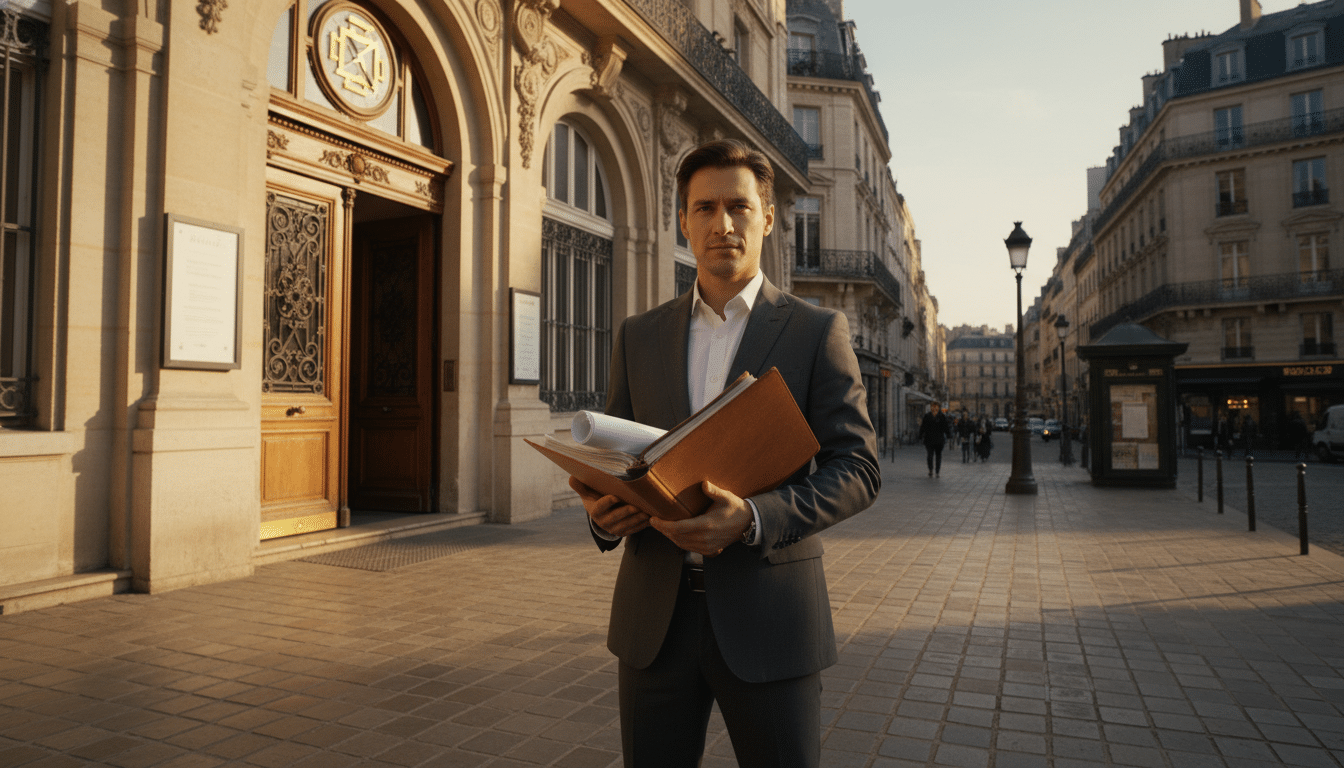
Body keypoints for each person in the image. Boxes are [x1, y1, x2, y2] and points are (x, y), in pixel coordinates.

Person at [569, 139, 881, 768]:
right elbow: (618, 460)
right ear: (682, 220)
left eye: (739, 207)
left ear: (768, 218)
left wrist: (754, 517)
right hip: (654, 622)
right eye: (704, 208)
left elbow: (859, 469)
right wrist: (602, 518)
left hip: (771, 621)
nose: (722, 225)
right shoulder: (638, 335)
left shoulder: (817, 332)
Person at [917, 402, 952, 477]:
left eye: (936, 407)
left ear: (938, 408)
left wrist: (949, 435)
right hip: (929, 439)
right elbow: (923, 427)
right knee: (930, 456)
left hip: (939, 440)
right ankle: (930, 469)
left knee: (938, 456)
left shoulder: (942, 416)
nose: (934, 408)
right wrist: (920, 435)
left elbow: (946, 427)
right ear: (931, 407)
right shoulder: (927, 416)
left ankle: (937, 471)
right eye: (933, 406)